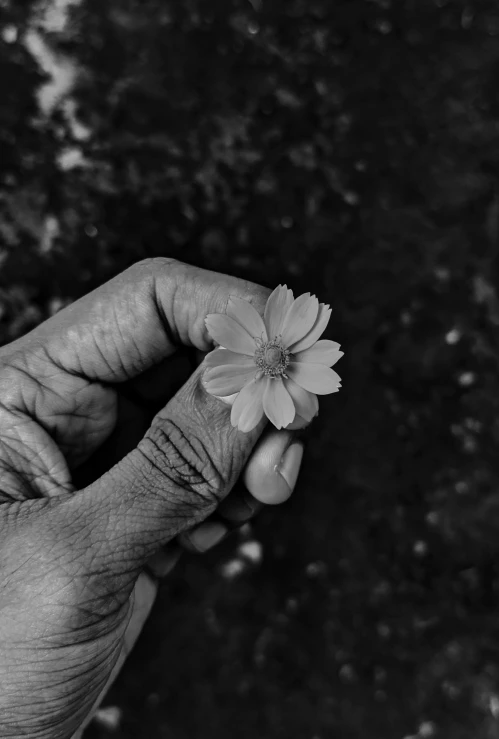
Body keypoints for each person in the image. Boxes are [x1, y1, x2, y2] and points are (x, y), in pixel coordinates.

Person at [0, 258, 304, 738]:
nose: (272, 358)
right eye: (269, 355)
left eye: (275, 356)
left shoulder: (295, 361)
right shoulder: (250, 370)